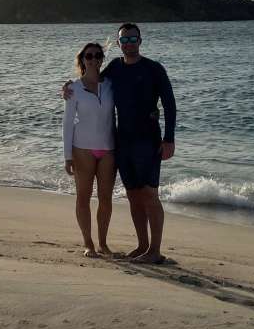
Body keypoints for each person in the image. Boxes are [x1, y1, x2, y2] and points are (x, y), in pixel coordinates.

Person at [64, 23, 175, 264]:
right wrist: (69, 86)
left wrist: (169, 139)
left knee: (150, 194)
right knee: (133, 195)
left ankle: (155, 250)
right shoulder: (114, 68)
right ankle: (142, 245)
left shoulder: (154, 69)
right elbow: (90, 81)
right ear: (119, 44)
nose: (129, 44)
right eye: (124, 40)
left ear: (140, 40)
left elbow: (170, 105)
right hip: (122, 144)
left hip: (147, 141)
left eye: (132, 39)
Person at [62, 41, 117, 257]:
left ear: (102, 59)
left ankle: (103, 243)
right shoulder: (74, 88)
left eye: (97, 56)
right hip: (82, 149)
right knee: (83, 197)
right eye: (88, 56)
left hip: (109, 149)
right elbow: (67, 123)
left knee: (106, 199)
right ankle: (88, 243)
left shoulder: (112, 84)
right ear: (82, 60)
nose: (93, 59)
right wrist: (67, 156)